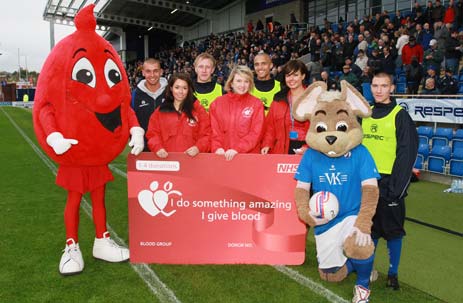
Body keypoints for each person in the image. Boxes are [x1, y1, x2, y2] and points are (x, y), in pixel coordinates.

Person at [362, 72, 418, 290]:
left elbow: (407, 154)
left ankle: (393, 273)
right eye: (375, 85)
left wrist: (397, 189)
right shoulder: (365, 114)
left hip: (390, 183)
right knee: (370, 228)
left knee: (394, 231)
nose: (378, 90)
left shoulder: (400, 116)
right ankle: (368, 269)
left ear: (392, 88)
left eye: (383, 86)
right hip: (367, 183)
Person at [146, 73, 211, 158]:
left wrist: (198, 148)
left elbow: (207, 134)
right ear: (171, 88)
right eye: (177, 87)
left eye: (184, 88)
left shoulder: (198, 110)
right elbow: (152, 134)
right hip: (168, 163)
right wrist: (158, 148)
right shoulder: (160, 111)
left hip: (193, 162)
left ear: (189, 90)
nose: (180, 92)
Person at [210, 65, 264, 161]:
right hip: (223, 157)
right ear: (231, 83)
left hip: (248, 158)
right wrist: (217, 148)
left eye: (246, 81)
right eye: (239, 81)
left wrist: (237, 149)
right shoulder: (217, 103)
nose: (242, 85)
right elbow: (214, 130)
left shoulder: (256, 104)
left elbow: (256, 133)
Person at [261, 60, 310, 155]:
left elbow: (318, 129)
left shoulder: (312, 99)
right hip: (282, 150)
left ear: (303, 76)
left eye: (295, 75)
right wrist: (267, 144)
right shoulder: (278, 99)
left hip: (307, 151)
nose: (291, 79)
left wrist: (308, 148)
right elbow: (270, 127)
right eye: (288, 76)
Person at [131, 58, 167, 151]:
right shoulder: (135, 95)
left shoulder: (170, 92)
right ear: (143, 72)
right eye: (148, 71)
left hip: (167, 148)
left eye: (155, 71)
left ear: (161, 72)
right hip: (143, 148)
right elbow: (131, 119)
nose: (152, 75)